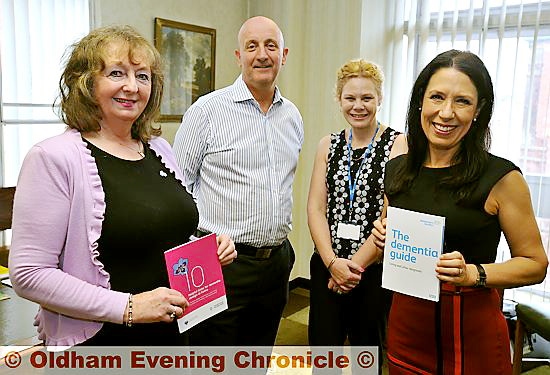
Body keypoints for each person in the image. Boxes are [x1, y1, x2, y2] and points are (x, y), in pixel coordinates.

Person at [8, 25, 236, 347]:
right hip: (101, 344)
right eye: (117, 73)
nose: (132, 86)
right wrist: (129, 307)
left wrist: (206, 248)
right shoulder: (53, 157)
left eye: (142, 76)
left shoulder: (158, 148)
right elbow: (29, 274)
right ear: (86, 83)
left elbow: (158, 231)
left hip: (172, 333)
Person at [371, 49, 548, 374]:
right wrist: (383, 238)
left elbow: (535, 265)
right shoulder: (396, 171)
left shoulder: (502, 178)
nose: (446, 112)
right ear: (420, 102)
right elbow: (391, 249)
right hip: (404, 331)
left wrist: (473, 274)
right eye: (437, 97)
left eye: (462, 101)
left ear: (479, 110)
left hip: (470, 338)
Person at [172, 16, 303, 346]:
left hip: (276, 264)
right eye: (252, 46)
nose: (262, 54)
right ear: (238, 55)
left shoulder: (292, 117)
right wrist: (194, 252)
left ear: (284, 55)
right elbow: (176, 190)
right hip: (216, 265)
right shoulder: (206, 111)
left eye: (271, 46)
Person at [307, 59, 404, 371]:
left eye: (367, 98)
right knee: (323, 355)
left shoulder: (398, 144)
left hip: (372, 271)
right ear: (338, 99)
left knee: (367, 357)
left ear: (380, 99)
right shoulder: (328, 145)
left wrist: (353, 269)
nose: (358, 106)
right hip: (327, 265)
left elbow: (391, 216)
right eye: (350, 98)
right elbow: (315, 209)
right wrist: (333, 264)